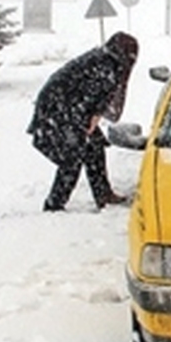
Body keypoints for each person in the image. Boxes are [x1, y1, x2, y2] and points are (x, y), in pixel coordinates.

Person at [27, 31, 139, 212]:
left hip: (64, 111)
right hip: (58, 114)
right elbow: (90, 100)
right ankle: (54, 205)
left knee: (94, 147)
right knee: (72, 158)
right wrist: (89, 121)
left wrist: (90, 121)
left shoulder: (103, 61)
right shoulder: (104, 67)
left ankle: (103, 194)